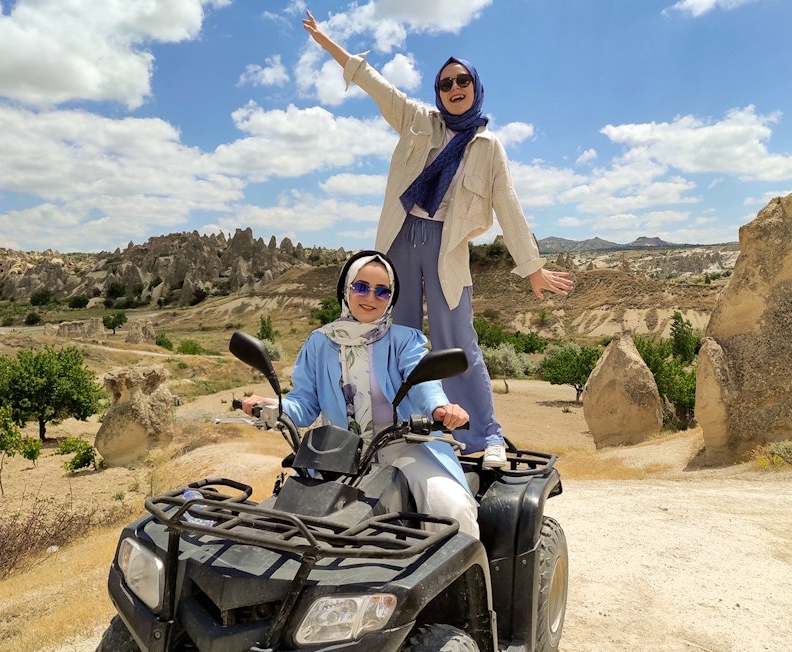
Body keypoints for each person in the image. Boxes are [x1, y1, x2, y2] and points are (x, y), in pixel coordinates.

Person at [303, 11, 575, 468]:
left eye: (461, 80)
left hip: (447, 247)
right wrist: (330, 45)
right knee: (394, 339)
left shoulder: (488, 148)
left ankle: (482, 435)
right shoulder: (416, 119)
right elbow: (374, 83)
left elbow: (507, 205)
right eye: (445, 83)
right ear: (438, 92)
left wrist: (532, 266)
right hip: (399, 237)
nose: (453, 88)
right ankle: (399, 432)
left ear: (475, 86)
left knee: (457, 343)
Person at [241, 250, 480, 539]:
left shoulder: (404, 340)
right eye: (361, 287)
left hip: (403, 447)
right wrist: (273, 406)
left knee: (451, 508)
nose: (370, 297)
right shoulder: (320, 342)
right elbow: (304, 403)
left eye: (382, 291)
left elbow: (421, 379)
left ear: (391, 298)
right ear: (346, 289)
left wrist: (440, 408)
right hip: (338, 457)